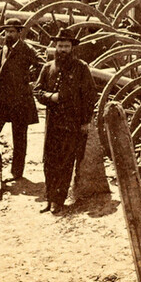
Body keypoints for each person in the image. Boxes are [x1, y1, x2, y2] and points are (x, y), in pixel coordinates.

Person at [34, 27, 98, 215]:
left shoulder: (81, 68)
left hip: (72, 123)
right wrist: (50, 97)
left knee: (65, 162)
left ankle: (58, 200)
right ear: (55, 47)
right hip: (53, 123)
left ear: (72, 48)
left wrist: (85, 121)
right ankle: (49, 197)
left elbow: (90, 96)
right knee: (49, 161)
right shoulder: (47, 68)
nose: (62, 50)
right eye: (60, 46)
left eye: (66, 46)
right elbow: (37, 91)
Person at [0, 18, 41, 194]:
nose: (9, 35)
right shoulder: (4, 48)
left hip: (20, 100)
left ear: (19, 33)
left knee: (19, 137)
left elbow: (40, 67)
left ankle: (17, 172)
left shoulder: (27, 49)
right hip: (3, 100)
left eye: (12, 32)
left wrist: (29, 83)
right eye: (6, 32)